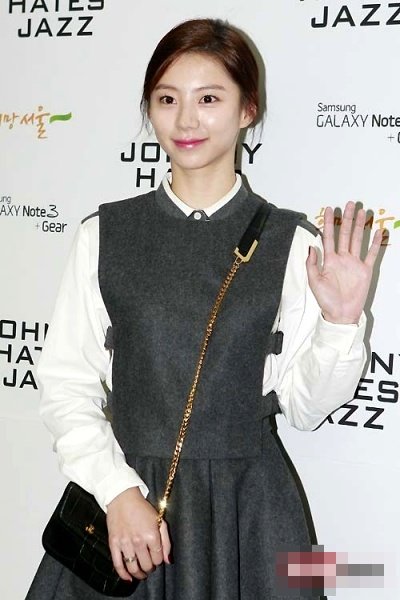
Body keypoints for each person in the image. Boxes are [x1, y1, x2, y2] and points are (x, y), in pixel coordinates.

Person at [26, 17, 382, 600]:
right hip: (129, 509)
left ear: (248, 110)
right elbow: (65, 386)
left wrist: (341, 322)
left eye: (209, 99)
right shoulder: (104, 235)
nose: (186, 120)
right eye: (167, 100)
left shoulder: (293, 243)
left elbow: (305, 407)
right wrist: (117, 493)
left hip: (251, 515)